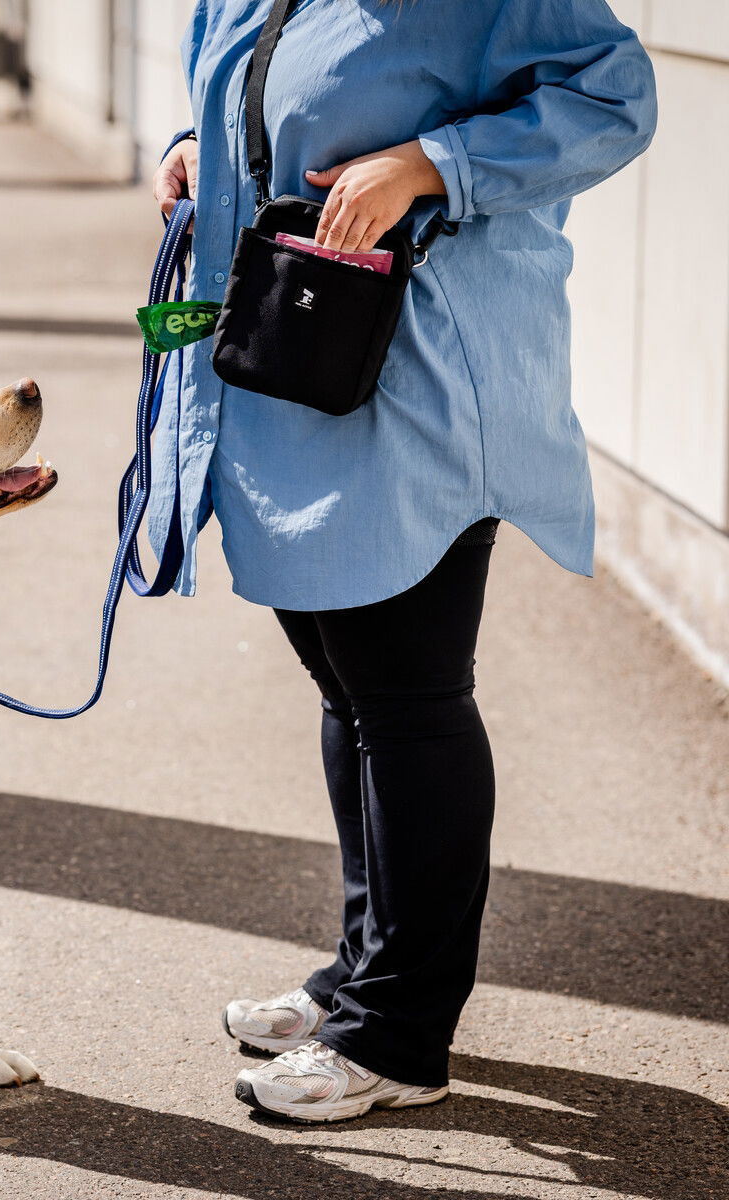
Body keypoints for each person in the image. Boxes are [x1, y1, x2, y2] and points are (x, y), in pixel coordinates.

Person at [150, 0, 657, 1124]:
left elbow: (614, 98)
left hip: (418, 382)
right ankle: (361, 976)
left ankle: (398, 1036)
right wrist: (199, 148)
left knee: (408, 700)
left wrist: (431, 164)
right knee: (350, 684)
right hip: (297, 367)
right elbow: (251, 85)